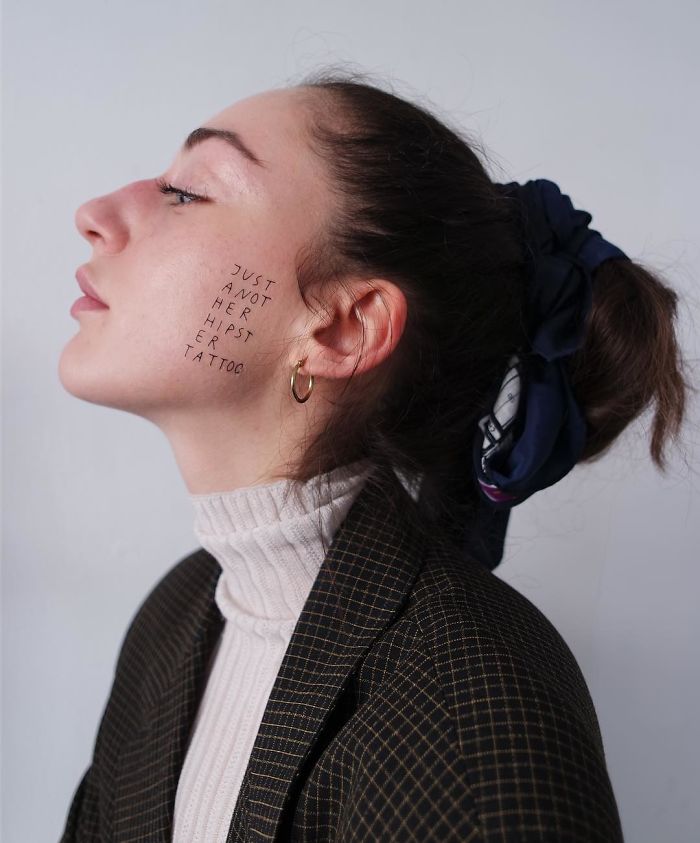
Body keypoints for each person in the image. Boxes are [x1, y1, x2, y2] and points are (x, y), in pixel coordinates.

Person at [57, 68, 689, 842]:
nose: (95, 215)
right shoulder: (174, 621)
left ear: (343, 327)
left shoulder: (476, 713)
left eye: (188, 193)